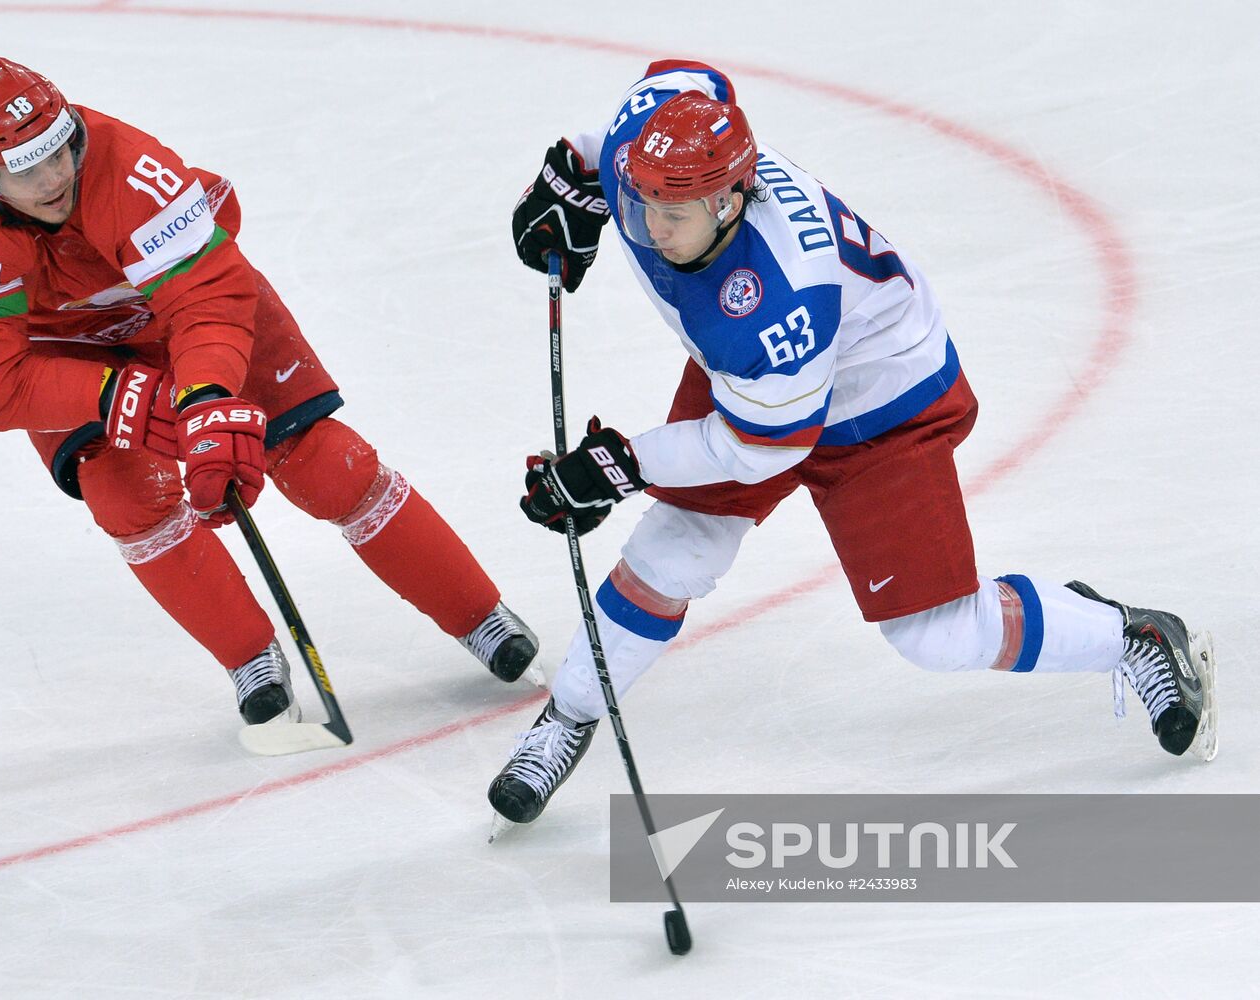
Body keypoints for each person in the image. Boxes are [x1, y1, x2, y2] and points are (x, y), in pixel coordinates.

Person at [487, 60, 1217, 827]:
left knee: (936, 634)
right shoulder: (658, 157)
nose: (648, 228)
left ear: (730, 201)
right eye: (637, 203)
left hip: (878, 406)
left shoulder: (776, 305)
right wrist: (573, 170)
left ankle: (1131, 636)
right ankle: (568, 715)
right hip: (755, 385)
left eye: (670, 216)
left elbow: (755, 449)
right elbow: (689, 80)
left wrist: (618, 465)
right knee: (678, 548)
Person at [0, 58, 539, 728]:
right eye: (25, 170)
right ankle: (249, 657)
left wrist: (206, 396)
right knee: (124, 493)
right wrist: (115, 395)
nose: (53, 178)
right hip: (74, 356)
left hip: (189, 318)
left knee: (325, 463)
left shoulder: (131, 166)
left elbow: (205, 297)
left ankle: (479, 614)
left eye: (59, 151)